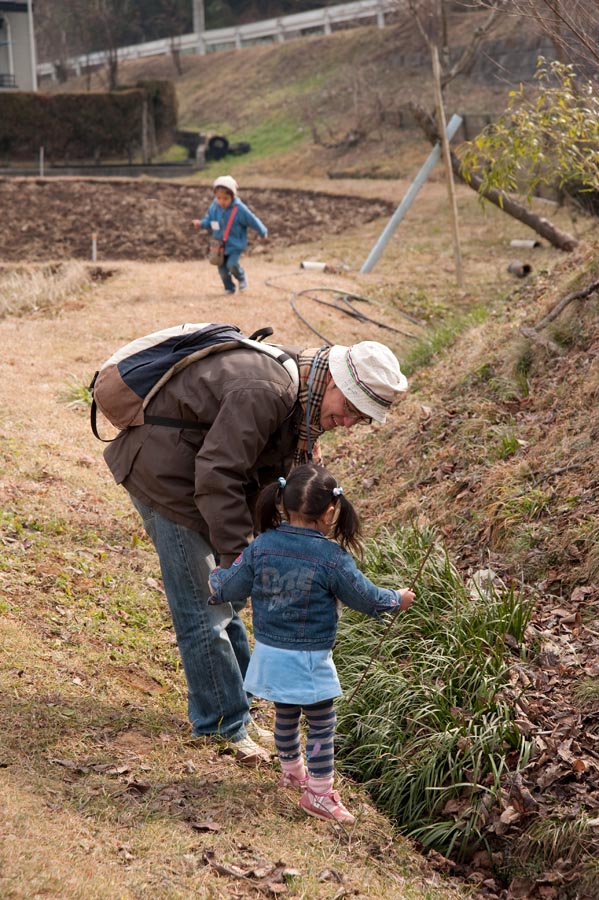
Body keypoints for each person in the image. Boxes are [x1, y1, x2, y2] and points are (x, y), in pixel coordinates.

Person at [102, 337, 408, 766]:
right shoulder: (267, 391)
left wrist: (268, 545)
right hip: (167, 477)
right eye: (353, 409)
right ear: (334, 383)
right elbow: (219, 471)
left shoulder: (300, 400)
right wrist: (242, 556)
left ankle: (238, 712)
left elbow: (264, 470)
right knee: (204, 607)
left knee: (225, 602)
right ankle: (222, 725)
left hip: (197, 477)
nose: (350, 422)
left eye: (362, 418)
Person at [208, 464, 416, 824]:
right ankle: (318, 794)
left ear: (284, 503)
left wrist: (215, 576)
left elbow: (230, 587)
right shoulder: (332, 558)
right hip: (307, 658)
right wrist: (397, 598)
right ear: (330, 512)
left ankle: (293, 772)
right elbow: (366, 598)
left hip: (270, 654)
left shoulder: (262, 546)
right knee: (321, 722)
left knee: (286, 714)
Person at [192, 175, 267, 295]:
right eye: (219, 198)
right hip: (219, 245)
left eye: (225, 198)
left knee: (231, 264)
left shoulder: (240, 209)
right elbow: (209, 221)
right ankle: (229, 287)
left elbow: (253, 220)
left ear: (233, 196)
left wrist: (262, 231)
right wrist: (200, 223)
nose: (222, 201)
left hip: (235, 244)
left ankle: (241, 277)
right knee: (222, 270)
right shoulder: (214, 207)